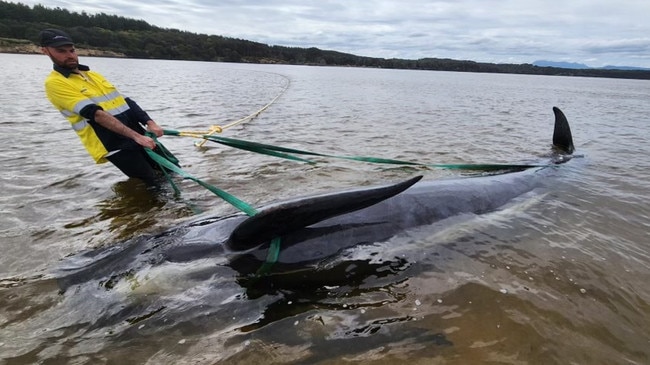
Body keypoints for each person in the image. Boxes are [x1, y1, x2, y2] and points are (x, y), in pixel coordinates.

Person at [40, 28, 172, 186]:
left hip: (139, 135)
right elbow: (95, 114)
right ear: (45, 51)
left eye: (72, 50)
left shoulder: (93, 75)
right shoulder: (55, 83)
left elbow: (126, 101)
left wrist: (149, 122)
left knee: (172, 171)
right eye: (61, 51)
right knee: (152, 183)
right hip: (112, 143)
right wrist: (136, 137)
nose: (70, 55)